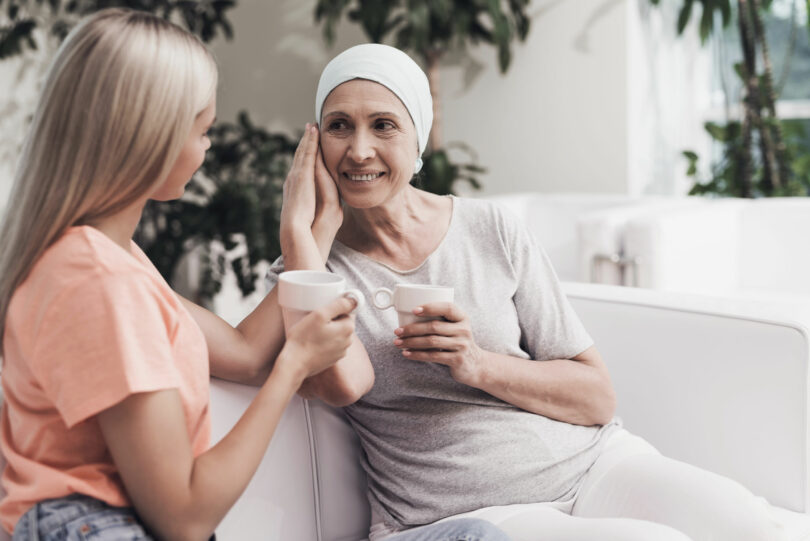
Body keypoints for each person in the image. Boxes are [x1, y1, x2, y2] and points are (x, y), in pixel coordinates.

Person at [0, 10, 511, 541]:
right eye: (203, 129)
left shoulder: (107, 256)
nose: (208, 147)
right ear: (147, 135)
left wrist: (305, 236)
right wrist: (294, 365)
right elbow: (185, 518)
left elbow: (243, 352)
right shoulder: (100, 280)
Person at [267, 42, 789, 541]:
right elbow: (335, 383)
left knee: (749, 527)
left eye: (383, 125)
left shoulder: (491, 228)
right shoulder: (308, 269)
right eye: (339, 126)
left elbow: (597, 398)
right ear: (315, 143)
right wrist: (300, 232)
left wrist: (476, 363)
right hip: (473, 513)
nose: (359, 150)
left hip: (596, 465)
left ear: (417, 138)